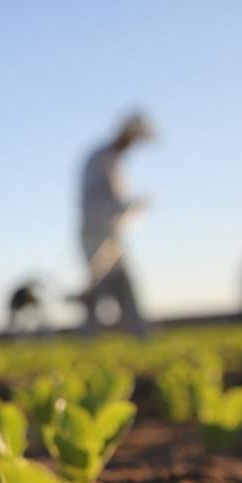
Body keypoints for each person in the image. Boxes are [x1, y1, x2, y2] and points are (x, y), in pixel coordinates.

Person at [75, 112, 155, 338]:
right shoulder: (100, 159)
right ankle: (88, 339)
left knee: (124, 286)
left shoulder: (114, 160)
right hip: (95, 234)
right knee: (98, 288)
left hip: (111, 235)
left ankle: (140, 335)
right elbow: (98, 200)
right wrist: (129, 205)